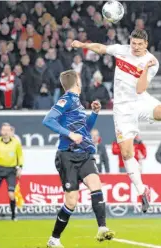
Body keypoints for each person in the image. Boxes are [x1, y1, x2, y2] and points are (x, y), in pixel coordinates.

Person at [71, 29, 161, 213]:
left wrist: (144, 68)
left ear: (146, 44)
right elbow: (101, 48)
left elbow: (140, 88)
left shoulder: (152, 62)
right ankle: (142, 191)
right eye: (133, 43)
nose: (136, 47)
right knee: (127, 152)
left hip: (140, 100)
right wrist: (83, 45)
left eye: (139, 44)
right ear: (130, 42)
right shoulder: (122, 50)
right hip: (122, 108)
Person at [42, 70, 115, 247]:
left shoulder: (78, 103)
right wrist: (69, 134)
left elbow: (84, 129)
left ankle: (102, 228)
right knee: (71, 202)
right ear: (76, 82)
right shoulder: (66, 99)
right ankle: (54, 238)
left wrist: (94, 114)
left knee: (95, 185)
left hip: (84, 154)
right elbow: (48, 120)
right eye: (80, 80)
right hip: (67, 154)